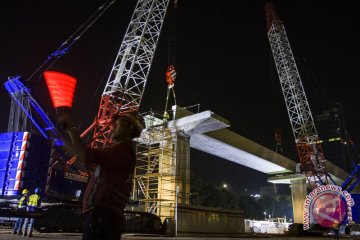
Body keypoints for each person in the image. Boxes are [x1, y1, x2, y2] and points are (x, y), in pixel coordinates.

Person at [57, 111, 145, 240]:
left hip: (104, 216)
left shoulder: (123, 151)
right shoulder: (114, 153)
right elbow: (84, 155)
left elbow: (84, 153)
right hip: (101, 216)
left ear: (131, 128)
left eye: (118, 123)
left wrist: (70, 129)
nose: (112, 126)